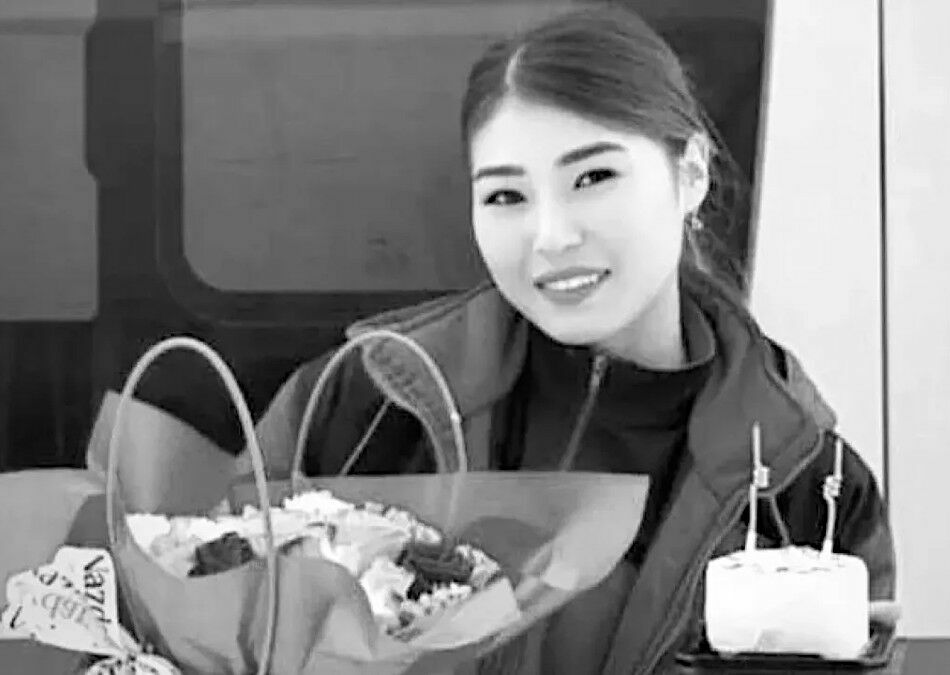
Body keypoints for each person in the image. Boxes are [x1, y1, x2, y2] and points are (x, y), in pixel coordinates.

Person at [244, 6, 896, 674]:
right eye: (506, 196)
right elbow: (220, 619)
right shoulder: (367, 402)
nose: (551, 236)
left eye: (593, 178)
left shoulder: (804, 485)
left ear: (691, 174)